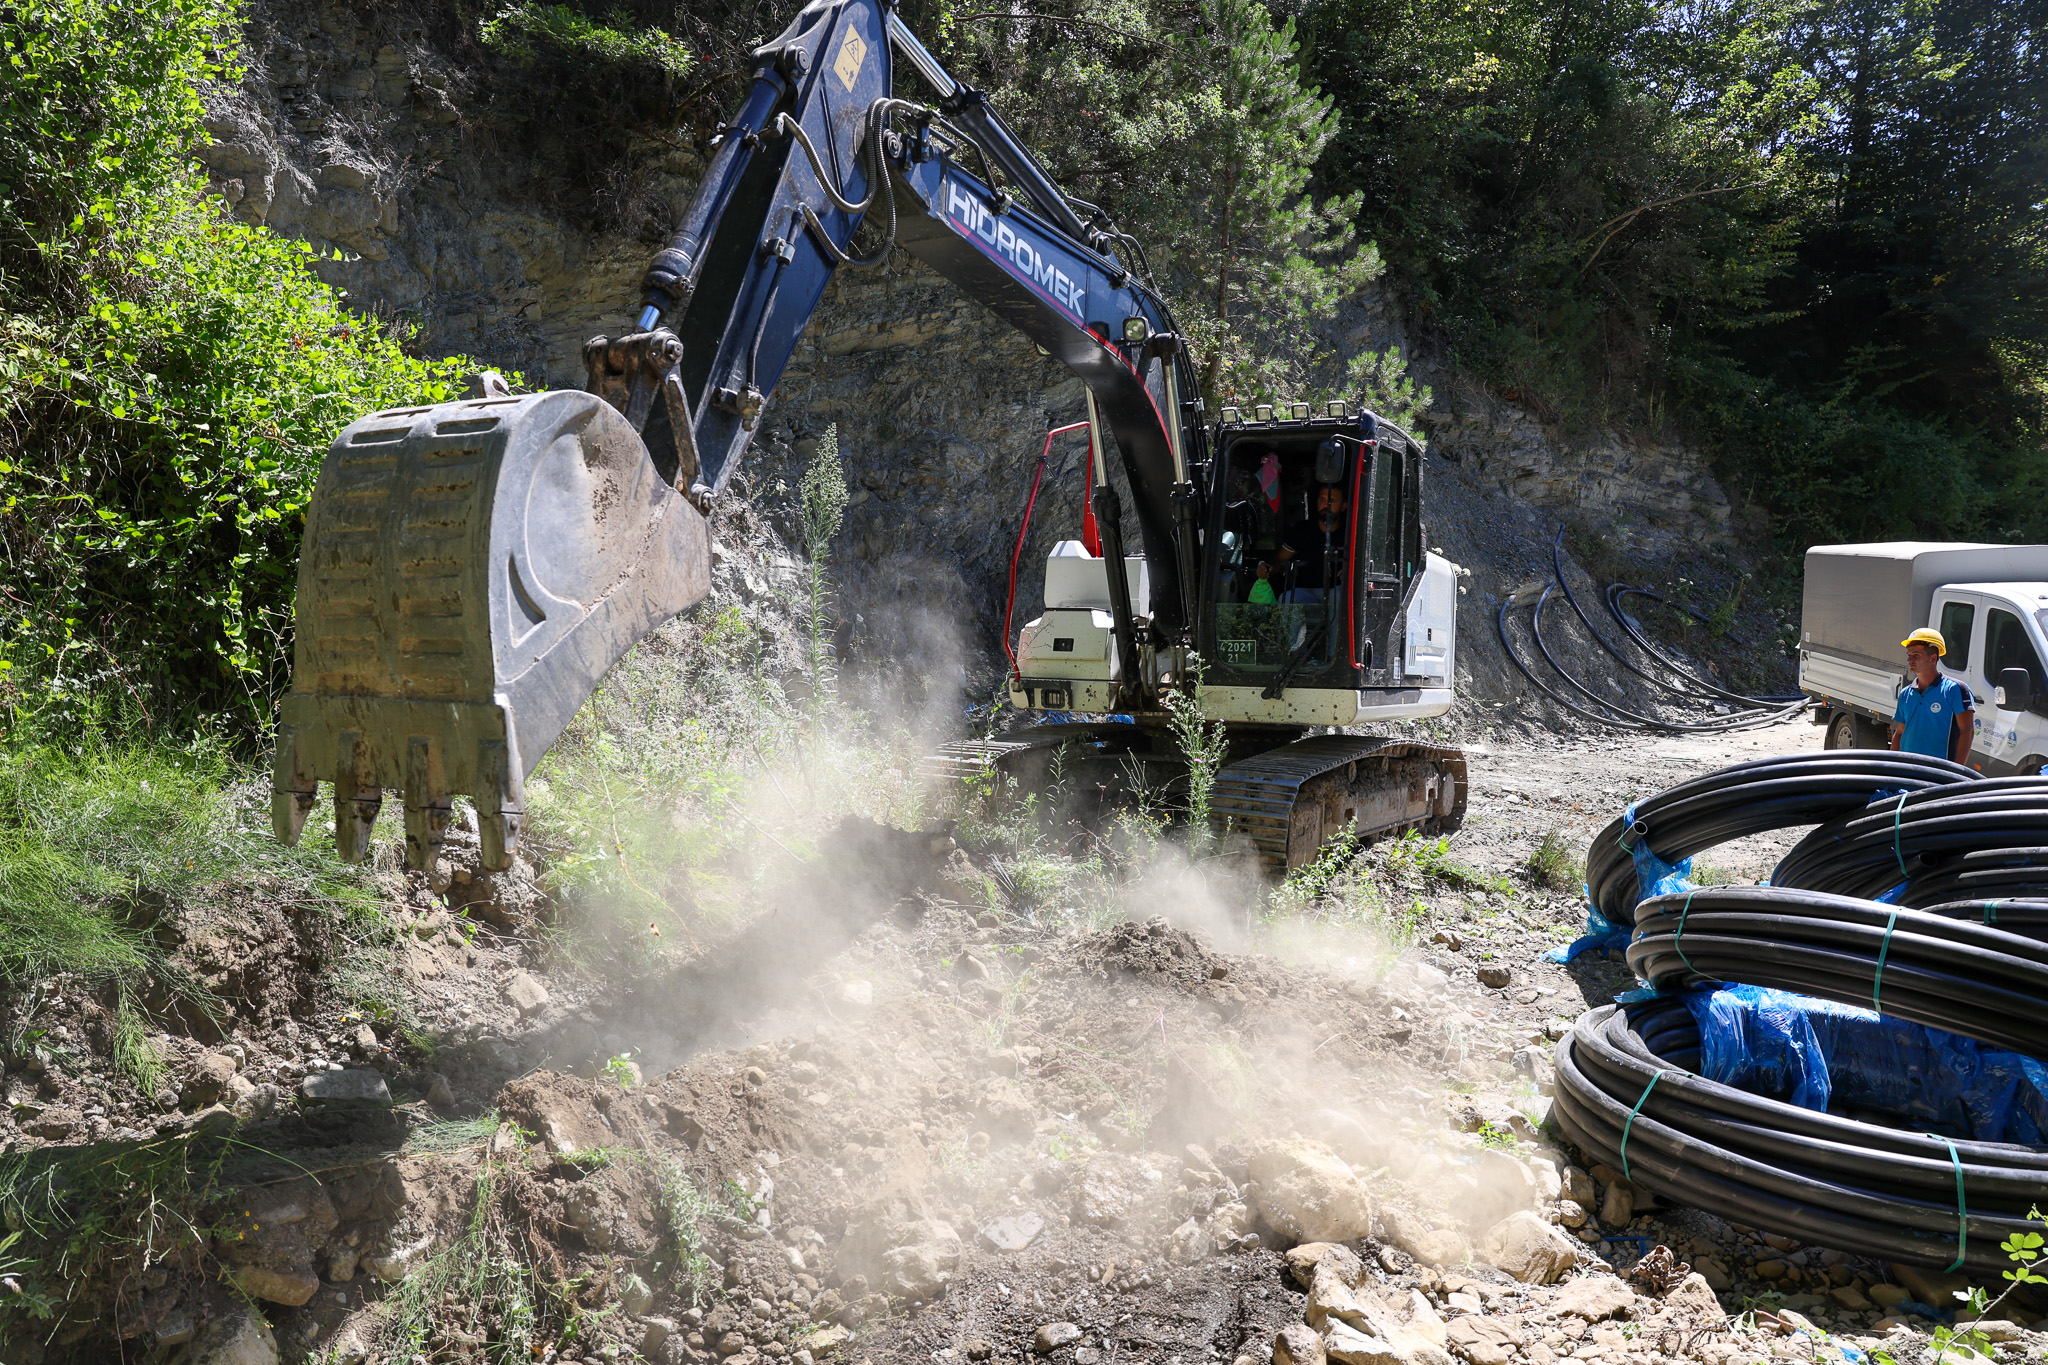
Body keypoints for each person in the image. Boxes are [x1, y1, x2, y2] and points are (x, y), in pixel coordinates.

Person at [1891, 627, 1975, 763]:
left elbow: (1967, 731)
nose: (1910, 659)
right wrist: (1891, 767)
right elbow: (1899, 733)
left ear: (1933, 658)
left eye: (1916, 655)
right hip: (1905, 771)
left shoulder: (1954, 689)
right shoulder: (1905, 693)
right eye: (1909, 655)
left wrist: (1956, 773)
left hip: (1937, 775)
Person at [1276, 485, 1348, 604]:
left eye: (1332, 501)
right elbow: (1279, 560)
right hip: (1306, 591)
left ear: (1343, 506)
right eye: (1322, 500)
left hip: (1337, 591)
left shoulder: (1351, 533)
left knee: (1341, 597)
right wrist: (1268, 568)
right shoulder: (1302, 530)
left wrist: (1351, 569)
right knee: (1287, 599)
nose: (1326, 505)